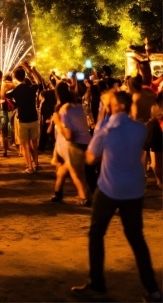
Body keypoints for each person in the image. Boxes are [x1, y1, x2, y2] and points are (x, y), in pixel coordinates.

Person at [71, 90, 161, 302]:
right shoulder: (140, 128)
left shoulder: (106, 129)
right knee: (137, 238)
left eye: (110, 104)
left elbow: (92, 158)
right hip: (134, 190)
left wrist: (102, 121)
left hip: (110, 188)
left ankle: (97, 284)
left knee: (96, 234)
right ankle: (153, 289)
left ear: (117, 107)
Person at [2, 62, 40, 173]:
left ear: (15, 77)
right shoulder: (31, 88)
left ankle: (30, 167)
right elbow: (39, 82)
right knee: (34, 143)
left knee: (25, 144)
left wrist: (15, 105)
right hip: (34, 118)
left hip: (23, 120)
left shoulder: (15, 91)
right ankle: (36, 163)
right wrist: (30, 70)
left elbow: (5, 95)